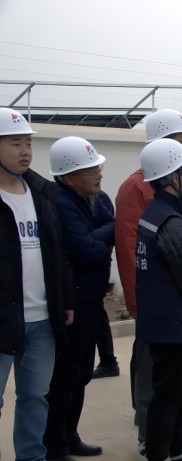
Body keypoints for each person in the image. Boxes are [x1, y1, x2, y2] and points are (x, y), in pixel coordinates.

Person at [114, 109, 182, 456]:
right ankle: (151, 434)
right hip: (165, 303)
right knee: (157, 376)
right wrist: (137, 302)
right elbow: (130, 249)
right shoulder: (136, 188)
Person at [0, 107, 72, 461]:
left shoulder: (42, 193)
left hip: (42, 319)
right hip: (2, 319)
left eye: (28, 143)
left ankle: (31, 457)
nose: (25, 151)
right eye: (16, 143)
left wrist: (65, 300)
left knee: (35, 397)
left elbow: (59, 252)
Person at [44, 137, 113, 460]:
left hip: (91, 301)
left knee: (82, 372)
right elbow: (88, 252)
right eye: (91, 170)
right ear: (70, 178)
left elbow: (102, 236)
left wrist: (99, 235)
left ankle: (69, 435)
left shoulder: (92, 199)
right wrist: (105, 234)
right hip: (73, 303)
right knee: (65, 376)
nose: (99, 174)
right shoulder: (61, 204)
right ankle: (55, 444)